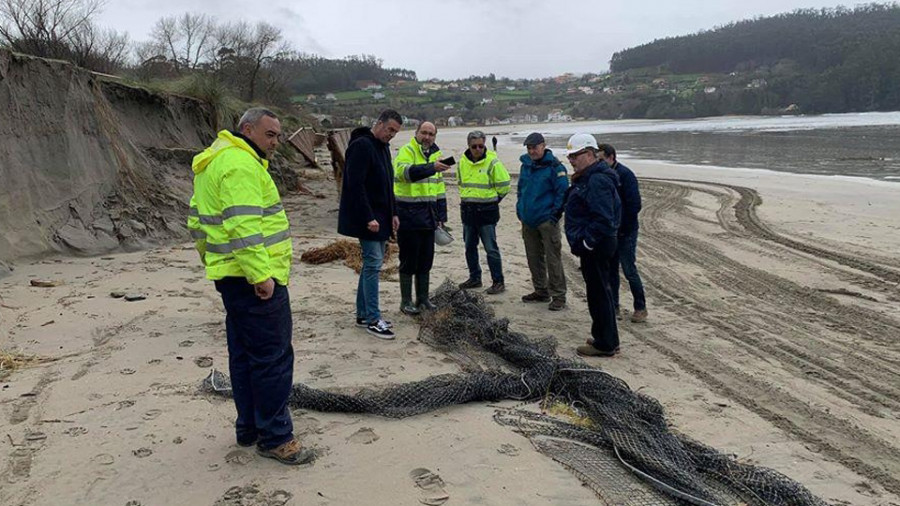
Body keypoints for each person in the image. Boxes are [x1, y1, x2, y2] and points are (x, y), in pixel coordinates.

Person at [187, 107, 314, 465]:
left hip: (231, 277)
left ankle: (250, 429)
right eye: (269, 134)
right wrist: (261, 276)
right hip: (256, 279)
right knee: (272, 358)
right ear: (247, 129)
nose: (275, 142)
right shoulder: (240, 165)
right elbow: (244, 227)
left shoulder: (214, 163)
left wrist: (216, 263)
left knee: (244, 356)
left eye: (277, 135)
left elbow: (196, 222)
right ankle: (276, 437)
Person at [338, 110, 402, 339]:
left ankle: (363, 314)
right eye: (390, 129)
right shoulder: (362, 146)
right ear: (379, 123)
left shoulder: (383, 148)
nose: (391, 135)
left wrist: (394, 212)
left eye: (395, 132)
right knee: (373, 264)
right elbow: (355, 185)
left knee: (370, 265)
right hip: (369, 218)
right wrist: (368, 217)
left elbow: (387, 183)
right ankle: (374, 320)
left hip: (383, 215)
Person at [563, 133, 622, 357]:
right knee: (600, 291)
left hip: (597, 246)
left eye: (575, 156)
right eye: (570, 157)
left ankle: (605, 343)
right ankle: (605, 337)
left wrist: (587, 242)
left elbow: (604, 218)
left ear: (589, 154)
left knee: (598, 293)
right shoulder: (590, 177)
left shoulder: (597, 180)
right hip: (596, 244)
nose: (572, 161)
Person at [393, 122, 451, 314]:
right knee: (409, 260)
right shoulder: (406, 151)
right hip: (407, 216)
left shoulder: (435, 155)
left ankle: (423, 299)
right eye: (424, 133)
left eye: (431, 134)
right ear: (416, 133)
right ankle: (406, 301)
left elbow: (439, 189)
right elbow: (404, 173)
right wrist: (431, 167)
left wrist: (442, 216)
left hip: (429, 217)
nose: (427, 137)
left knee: (426, 260)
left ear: (435, 137)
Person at [516, 132, 569, 311]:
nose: (532, 151)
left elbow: (563, 192)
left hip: (547, 220)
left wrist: (554, 215)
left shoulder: (556, 167)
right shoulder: (525, 166)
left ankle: (559, 295)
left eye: (534, 147)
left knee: (553, 258)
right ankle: (541, 290)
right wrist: (519, 208)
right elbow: (521, 189)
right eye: (529, 148)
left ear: (543, 145)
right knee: (533, 257)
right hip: (528, 219)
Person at [457, 130, 511, 294]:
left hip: (487, 213)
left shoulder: (493, 162)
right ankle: (475, 278)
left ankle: (498, 281)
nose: (478, 149)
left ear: (485, 144)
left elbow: (505, 185)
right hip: (468, 212)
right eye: (474, 146)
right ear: (469, 146)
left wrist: (493, 200)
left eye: (481, 145)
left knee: (491, 249)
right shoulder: (462, 162)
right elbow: (461, 183)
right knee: (469, 247)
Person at [599, 143, 647, 323]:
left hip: (626, 231)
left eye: (602, 159)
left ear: (611, 157)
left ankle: (640, 307)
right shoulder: (602, 176)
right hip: (610, 231)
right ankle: (614, 306)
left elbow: (634, 205)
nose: (600, 162)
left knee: (629, 269)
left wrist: (622, 227)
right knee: (611, 271)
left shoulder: (626, 175)